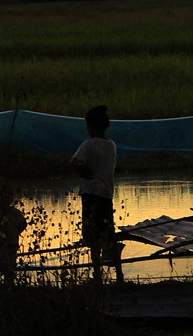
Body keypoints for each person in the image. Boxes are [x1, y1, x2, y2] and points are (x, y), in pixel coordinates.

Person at [70, 104, 124, 283]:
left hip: (91, 194)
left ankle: (98, 275)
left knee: (93, 237)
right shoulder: (111, 145)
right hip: (106, 195)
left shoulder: (88, 144)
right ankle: (119, 275)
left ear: (92, 126)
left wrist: (85, 174)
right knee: (109, 235)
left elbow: (75, 162)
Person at [0, 184, 27, 285]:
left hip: (1, 247)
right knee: (7, 273)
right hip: (8, 247)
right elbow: (23, 225)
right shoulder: (16, 213)